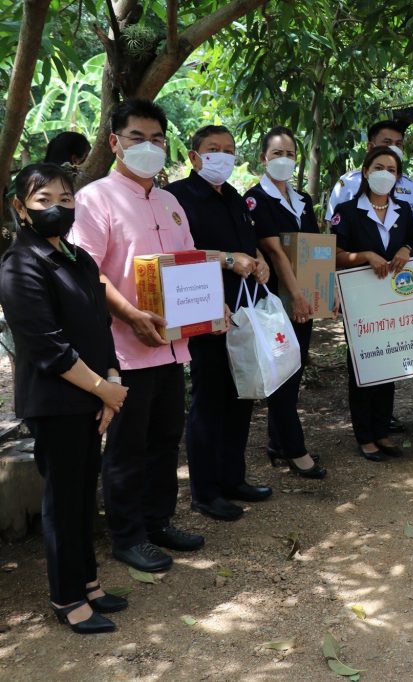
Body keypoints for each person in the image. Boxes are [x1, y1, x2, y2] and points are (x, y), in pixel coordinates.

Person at [72, 98, 204, 572]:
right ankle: (127, 536)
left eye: (157, 139)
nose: (149, 146)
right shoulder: (95, 199)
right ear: (114, 142)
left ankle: (157, 521)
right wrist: (130, 315)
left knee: (166, 437)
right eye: (137, 137)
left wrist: (212, 306)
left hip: (172, 346)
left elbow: (190, 266)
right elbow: (87, 271)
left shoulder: (170, 202)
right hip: (124, 349)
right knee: (128, 444)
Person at [0, 164, 129, 634]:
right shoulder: (20, 264)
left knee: (81, 496)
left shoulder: (79, 257)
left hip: (92, 395)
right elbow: (47, 347)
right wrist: (104, 389)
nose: (57, 207)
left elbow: (100, 325)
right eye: (44, 200)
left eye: (66, 198)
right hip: (57, 402)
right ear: (21, 208)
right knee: (63, 499)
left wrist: (110, 379)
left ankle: (88, 583)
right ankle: (67, 597)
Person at [164, 125, 273, 521]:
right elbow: (178, 254)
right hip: (204, 311)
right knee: (209, 400)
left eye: (229, 149)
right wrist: (227, 261)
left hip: (243, 311)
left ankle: (233, 478)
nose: (222, 156)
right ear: (194, 155)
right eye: (213, 148)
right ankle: (205, 492)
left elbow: (247, 245)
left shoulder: (235, 197)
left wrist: (259, 260)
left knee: (241, 394)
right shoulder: (176, 198)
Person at [245, 126, 328, 479]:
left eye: (290, 154)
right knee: (282, 373)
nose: (284, 159)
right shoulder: (255, 199)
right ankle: (295, 450)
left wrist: (321, 297)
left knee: (295, 368)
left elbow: (314, 250)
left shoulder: (302, 199)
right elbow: (276, 253)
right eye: (277, 153)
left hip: (303, 300)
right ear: (263, 158)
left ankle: (278, 442)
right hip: (275, 301)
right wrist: (296, 297)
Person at [326, 120, 413, 434]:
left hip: (394, 298)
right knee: (362, 364)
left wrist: (407, 247)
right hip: (360, 299)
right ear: (365, 171)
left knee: (390, 361)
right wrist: (365, 256)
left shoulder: (403, 210)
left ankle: (382, 428)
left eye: (391, 170)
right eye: (379, 167)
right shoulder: (347, 211)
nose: (385, 174)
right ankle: (365, 434)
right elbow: (334, 255)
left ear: (398, 177)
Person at [326, 119, 413, 222]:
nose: (394, 148)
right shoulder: (348, 183)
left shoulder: (409, 186)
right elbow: (333, 225)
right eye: (387, 142)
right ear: (371, 147)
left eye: (398, 144)